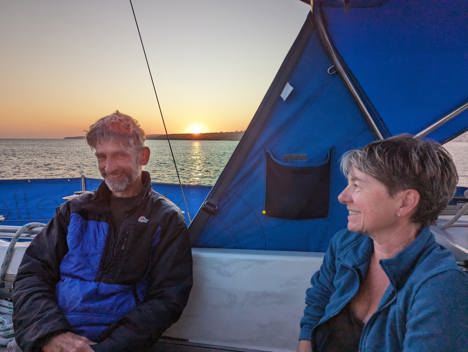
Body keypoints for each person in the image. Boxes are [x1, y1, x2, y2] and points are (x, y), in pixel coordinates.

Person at [12, 111, 193, 352]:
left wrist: (106, 349)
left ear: (143, 156)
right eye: (102, 157)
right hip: (50, 335)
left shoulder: (165, 220)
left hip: (111, 343)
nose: (108, 167)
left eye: (119, 155)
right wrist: (49, 335)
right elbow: (32, 274)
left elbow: (167, 298)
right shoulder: (73, 211)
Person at [297, 135, 467, 352]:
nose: (342, 196)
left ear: (405, 202)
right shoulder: (345, 245)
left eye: (356, 185)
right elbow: (318, 299)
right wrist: (305, 341)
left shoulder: (442, 288)